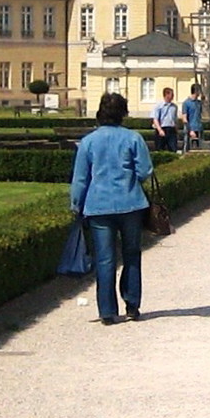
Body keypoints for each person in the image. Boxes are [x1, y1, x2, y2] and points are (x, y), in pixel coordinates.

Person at [70, 92, 154, 325]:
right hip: (130, 204)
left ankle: (107, 311)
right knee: (132, 255)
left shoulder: (88, 142)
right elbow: (145, 170)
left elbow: (80, 179)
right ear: (123, 114)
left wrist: (76, 204)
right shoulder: (133, 138)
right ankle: (132, 305)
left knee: (105, 260)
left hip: (99, 206)